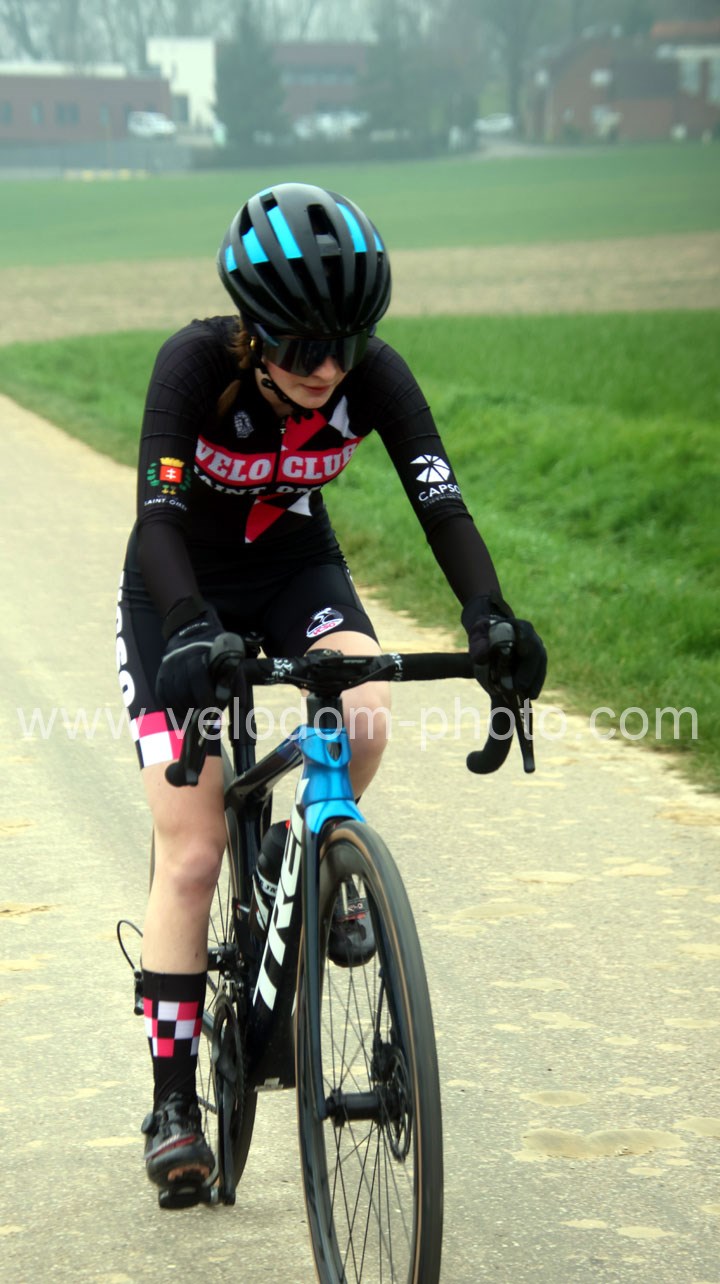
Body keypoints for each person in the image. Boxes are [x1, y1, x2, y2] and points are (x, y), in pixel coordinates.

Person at [115, 181, 546, 1204]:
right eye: (305, 346)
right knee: (192, 851)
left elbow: (441, 502)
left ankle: (304, 849)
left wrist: (489, 617)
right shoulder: (192, 368)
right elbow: (158, 517)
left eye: (346, 344)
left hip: (294, 567)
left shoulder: (372, 376)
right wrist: (189, 630)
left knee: (365, 707)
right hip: (177, 589)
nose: (328, 369)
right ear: (253, 331)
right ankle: (174, 1102)